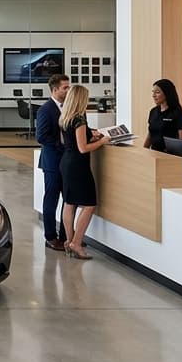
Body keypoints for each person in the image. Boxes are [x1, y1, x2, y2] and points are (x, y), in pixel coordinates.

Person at [59, 84, 109, 260]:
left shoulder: (65, 117)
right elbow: (83, 148)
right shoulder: (79, 119)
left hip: (66, 162)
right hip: (78, 165)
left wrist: (89, 135)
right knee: (89, 204)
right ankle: (77, 243)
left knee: (69, 202)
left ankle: (69, 240)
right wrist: (102, 142)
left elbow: (67, 142)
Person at [34, 74, 71, 251]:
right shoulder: (45, 110)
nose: (68, 90)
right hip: (53, 162)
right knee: (52, 198)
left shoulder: (69, 107)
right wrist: (62, 144)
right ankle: (50, 237)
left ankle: (65, 237)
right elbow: (41, 136)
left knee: (68, 199)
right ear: (55, 89)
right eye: (65, 87)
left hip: (67, 161)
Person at [142, 78, 182, 152]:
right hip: (154, 154)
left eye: (157, 92)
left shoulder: (179, 114)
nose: (153, 95)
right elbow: (150, 135)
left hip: (170, 156)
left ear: (167, 93)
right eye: (153, 92)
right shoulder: (153, 111)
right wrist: (143, 151)